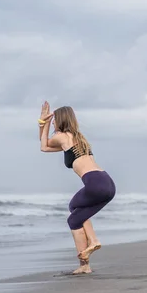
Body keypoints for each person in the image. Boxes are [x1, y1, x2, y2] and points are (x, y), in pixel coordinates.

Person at [38, 101, 116, 275]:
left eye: (54, 120)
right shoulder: (78, 138)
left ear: (60, 120)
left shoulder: (62, 136)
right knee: (76, 217)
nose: (53, 123)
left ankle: (93, 243)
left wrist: (42, 122)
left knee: (74, 211)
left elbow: (43, 146)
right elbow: (47, 146)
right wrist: (43, 124)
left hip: (95, 183)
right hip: (107, 183)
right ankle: (85, 264)